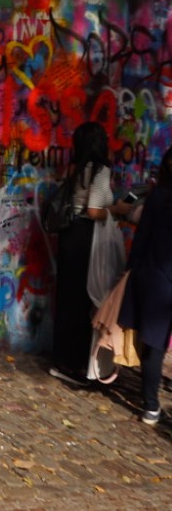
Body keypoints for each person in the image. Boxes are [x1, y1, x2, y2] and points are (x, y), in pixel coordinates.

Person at [50, 121, 134, 386]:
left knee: (67, 301)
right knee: (84, 303)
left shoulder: (76, 168)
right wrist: (118, 209)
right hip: (86, 238)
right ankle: (76, 366)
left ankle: (62, 361)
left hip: (69, 236)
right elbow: (95, 211)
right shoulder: (100, 170)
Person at [118, 147, 172, 424]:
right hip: (160, 278)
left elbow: (142, 238)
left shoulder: (158, 197)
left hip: (155, 278)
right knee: (155, 344)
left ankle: (151, 404)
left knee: (153, 344)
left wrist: (131, 270)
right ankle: (151, 404)